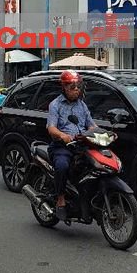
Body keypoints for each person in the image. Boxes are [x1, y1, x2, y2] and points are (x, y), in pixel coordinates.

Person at [47, 71, 98, 222]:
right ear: (64, 87)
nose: (76, 89)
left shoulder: (82, 105)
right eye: (72, 86)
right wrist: (62, 135)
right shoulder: (55, 105)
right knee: (62, 165)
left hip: (81, 145)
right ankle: (60, 199)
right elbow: (51, 128)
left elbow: (91, 125)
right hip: (62, 147)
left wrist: (100, 133)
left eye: (78, 86)